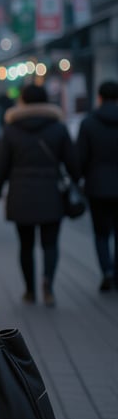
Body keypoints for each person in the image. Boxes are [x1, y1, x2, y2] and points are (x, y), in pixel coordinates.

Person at [0, 84, 78, 307]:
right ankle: (48, 283)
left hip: (21, 193)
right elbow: (72, 162)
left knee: (26, 245)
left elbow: (1, 164)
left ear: (22, 100)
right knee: (50, 243)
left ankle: (29, 291)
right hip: (51, 191)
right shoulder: (58, 127)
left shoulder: (11, 129)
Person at [76, 80, 118, 292]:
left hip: (98, 186)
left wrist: (80, 178)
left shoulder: (89, 122)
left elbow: (80, 158)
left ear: (99, 97)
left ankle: (107, 272)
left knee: (101, 233)